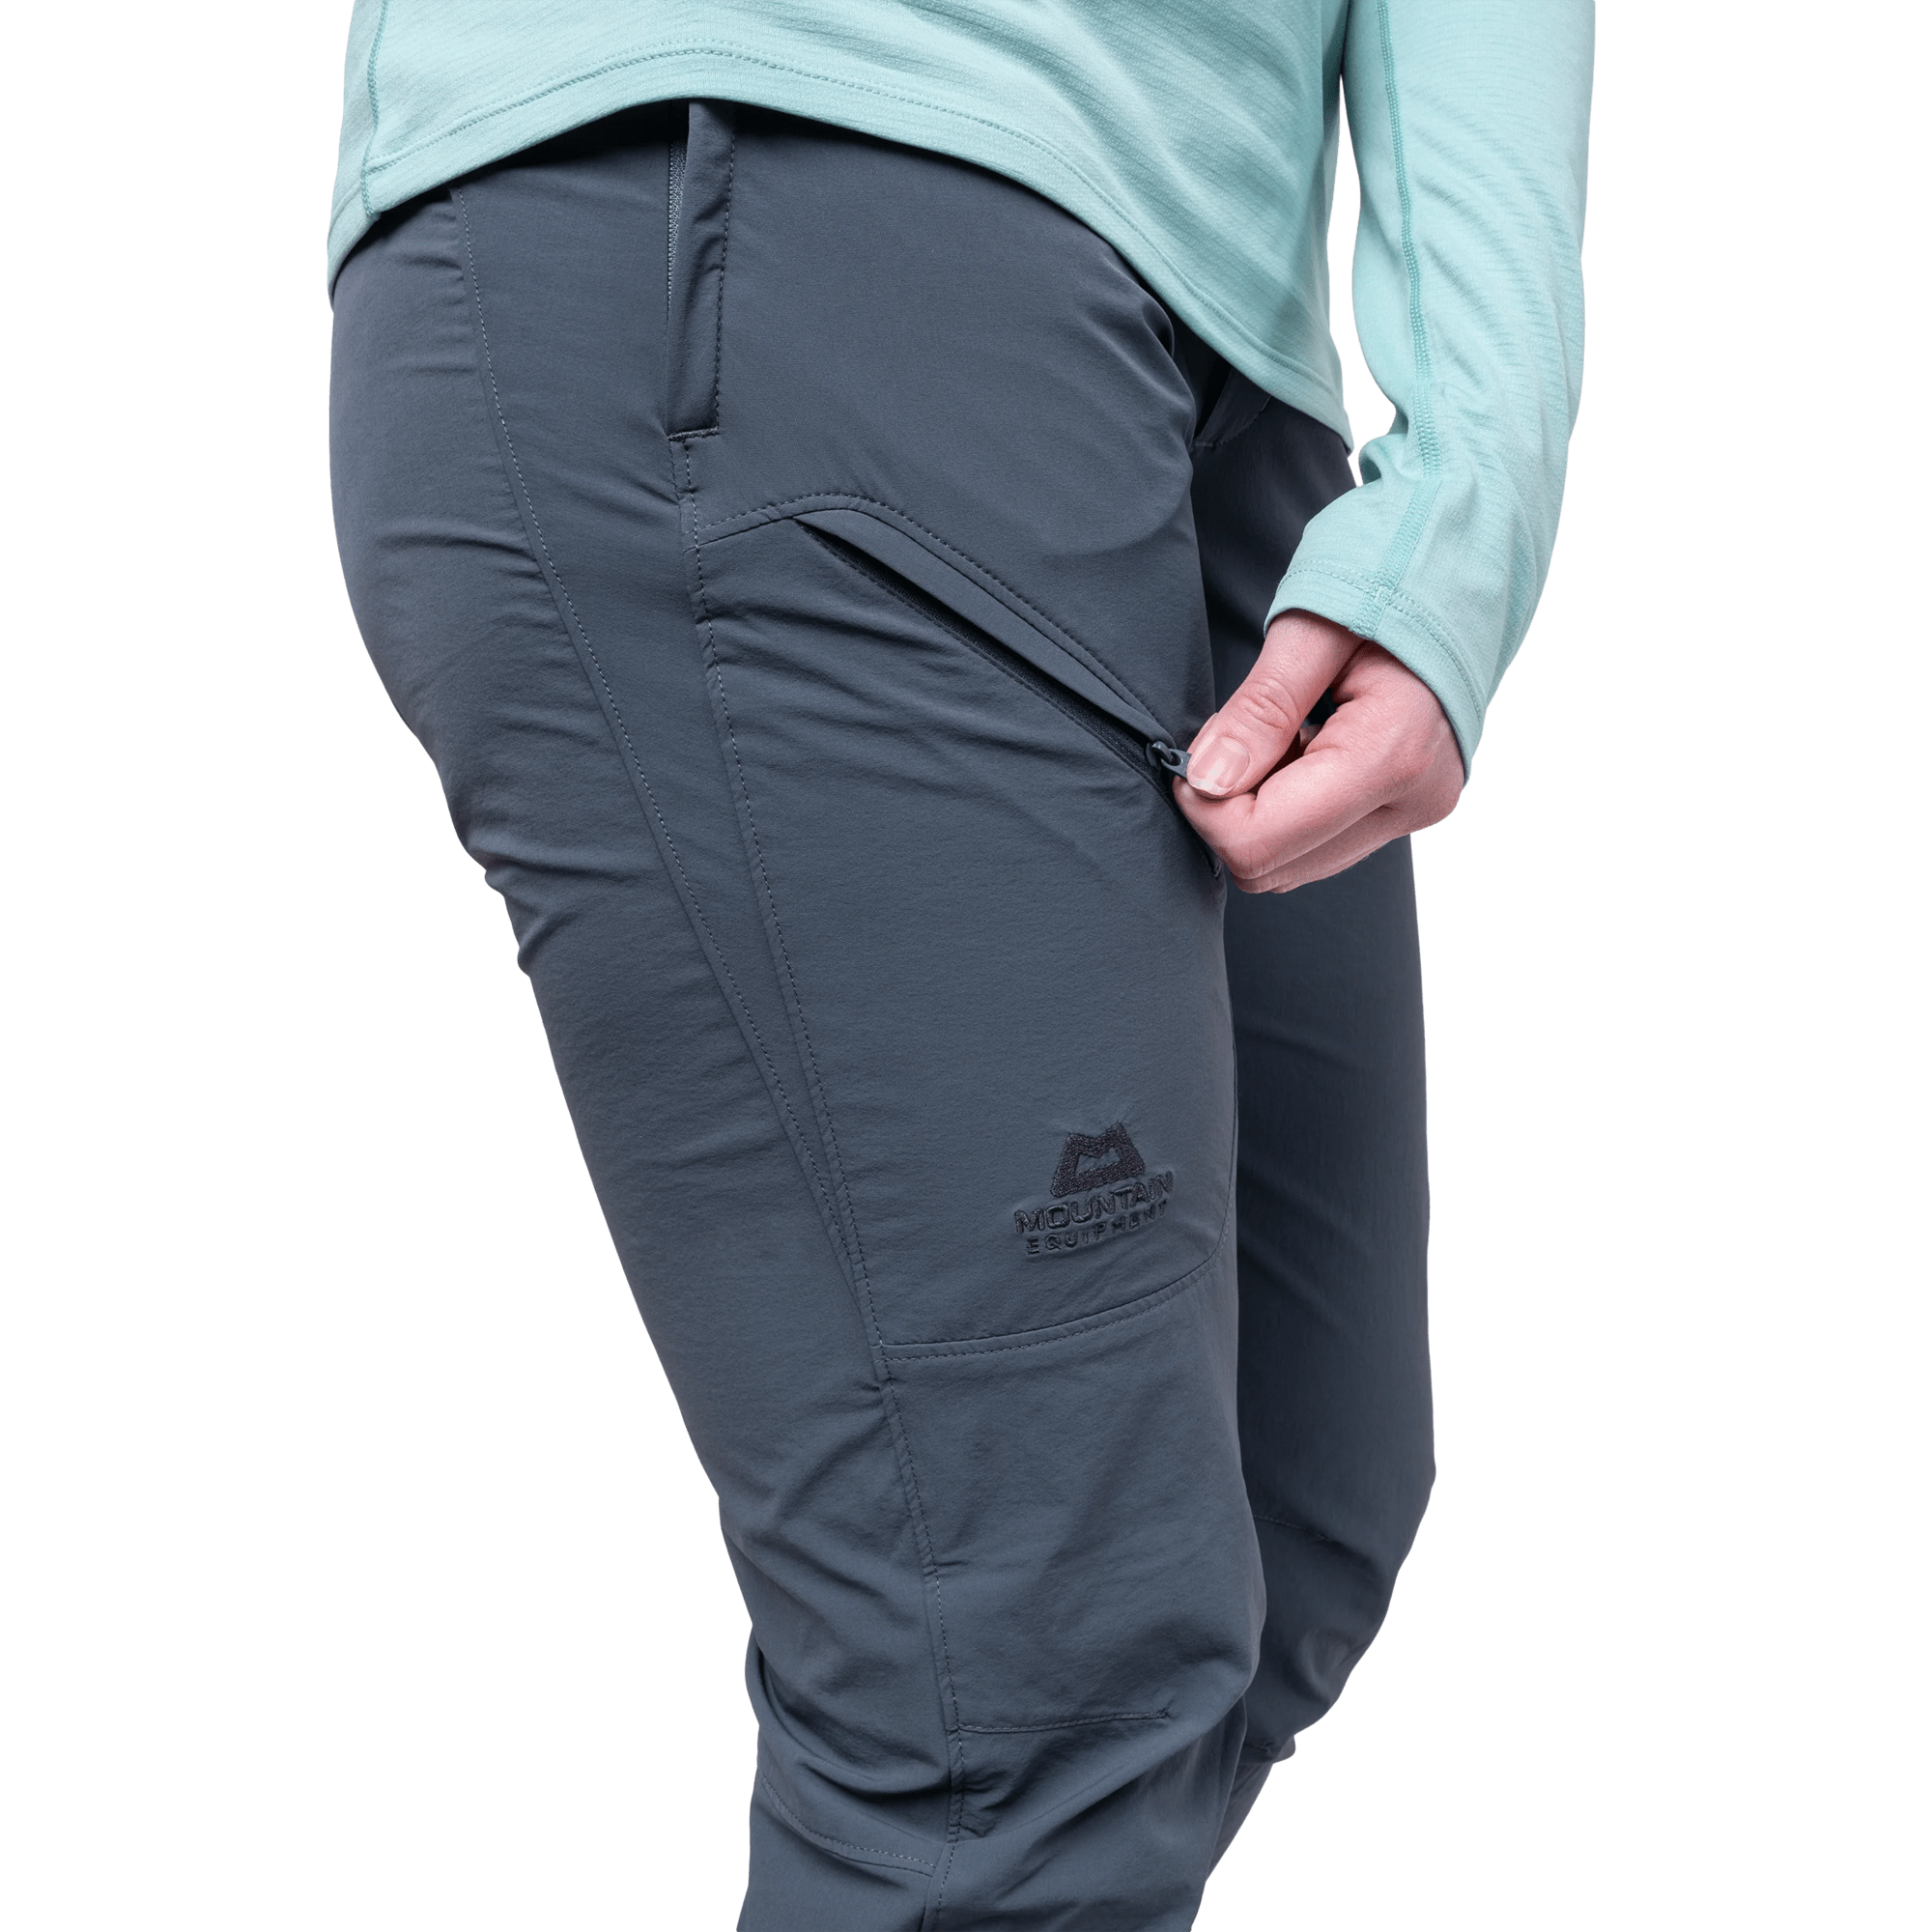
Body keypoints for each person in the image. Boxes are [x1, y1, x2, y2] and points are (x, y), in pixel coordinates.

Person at [326, 4, 1592, 1924]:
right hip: (781, 190)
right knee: (1023, 1672)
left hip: (1207, 335)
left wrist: (1466, 501)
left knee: (1290, 1511)